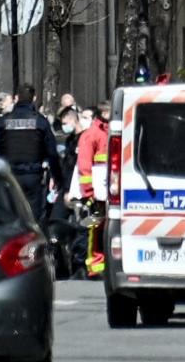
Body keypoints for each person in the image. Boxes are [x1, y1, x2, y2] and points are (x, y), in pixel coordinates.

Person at [0, 83, 64, 220]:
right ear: (34, 98)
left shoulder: (4, 121)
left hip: (9, 177)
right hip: (33, 177)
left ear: (16, 98)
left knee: (11, 217)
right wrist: (58, 178)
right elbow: (52, 153)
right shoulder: (40, 121)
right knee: (33, 220)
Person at [76, 101, 110, 278]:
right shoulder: (92, 135)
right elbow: (85, 165)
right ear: (103, 112)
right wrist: (89, 193)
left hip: (110, 191)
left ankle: (103, 265)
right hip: (97, 193)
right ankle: (94, 267)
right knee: (94, 229)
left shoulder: (110, 131)